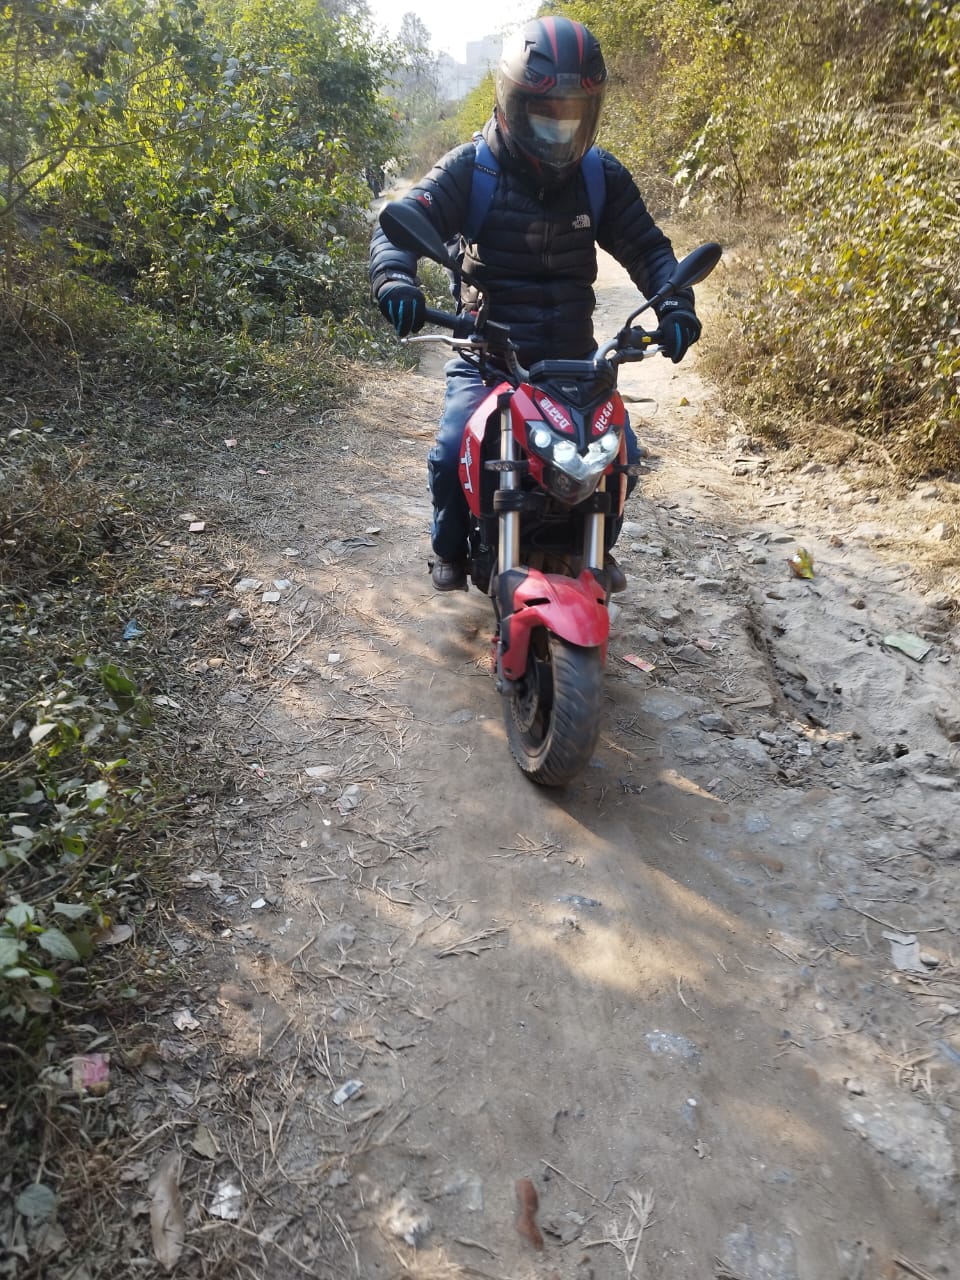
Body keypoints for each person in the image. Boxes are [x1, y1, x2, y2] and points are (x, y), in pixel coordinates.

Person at [369, 15, 701, 592]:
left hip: (574, 364)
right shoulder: (471, 170)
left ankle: (595, 545)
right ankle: (449, 549)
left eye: (572, 116)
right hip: (488, 357)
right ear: (510, 104)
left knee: (622, 454)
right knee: (450, 452)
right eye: (545, 115)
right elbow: (399, 227)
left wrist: (675, 304)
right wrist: (395, 279)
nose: (558, 132)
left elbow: (648, 249)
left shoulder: (600, 176)